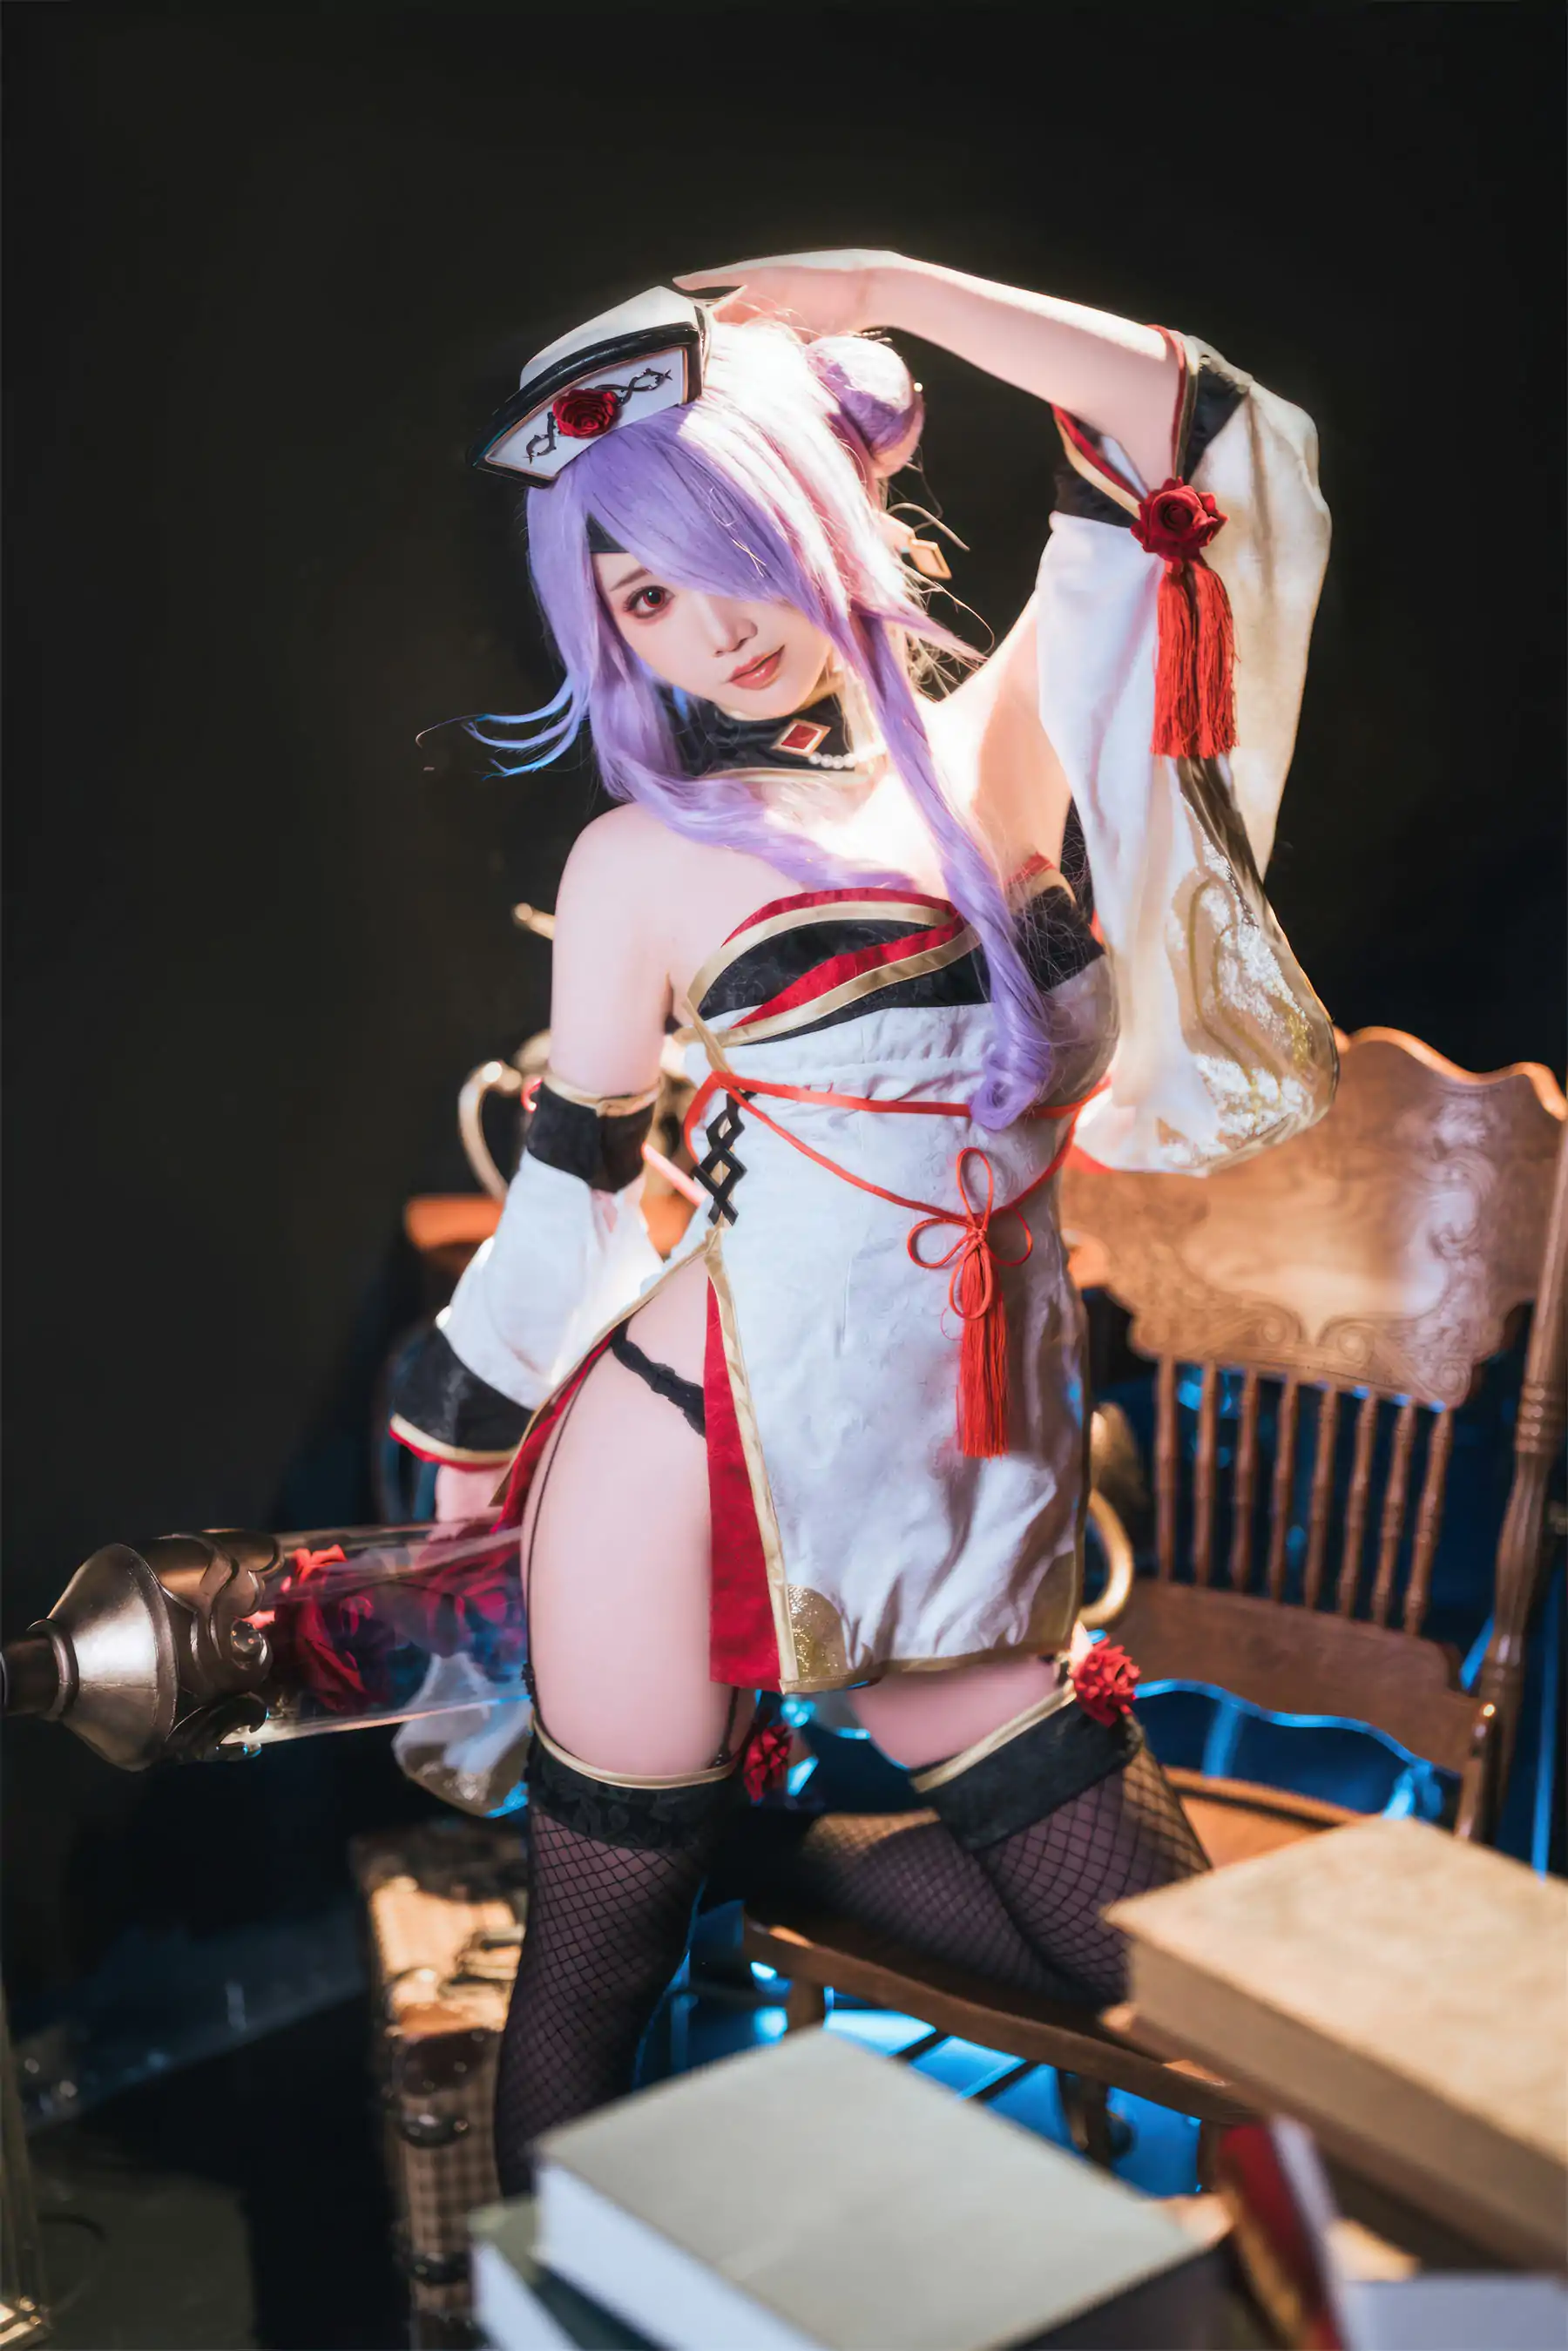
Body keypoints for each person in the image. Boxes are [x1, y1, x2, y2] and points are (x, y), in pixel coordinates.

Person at [387, 251, 1337, 2188]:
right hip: (687, 1455)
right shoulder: (639, 862)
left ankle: (756, 1857)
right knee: (595, 1964)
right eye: (645, 595)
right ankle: (533, 2307)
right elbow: (566, 1214)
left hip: (951, 1465)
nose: (710, 626)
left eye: (735, 550)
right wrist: (463, 1465)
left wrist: (889, 277)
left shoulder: (997, 749)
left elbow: (1186, 435)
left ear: (830, 510)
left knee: (1156, 1963)